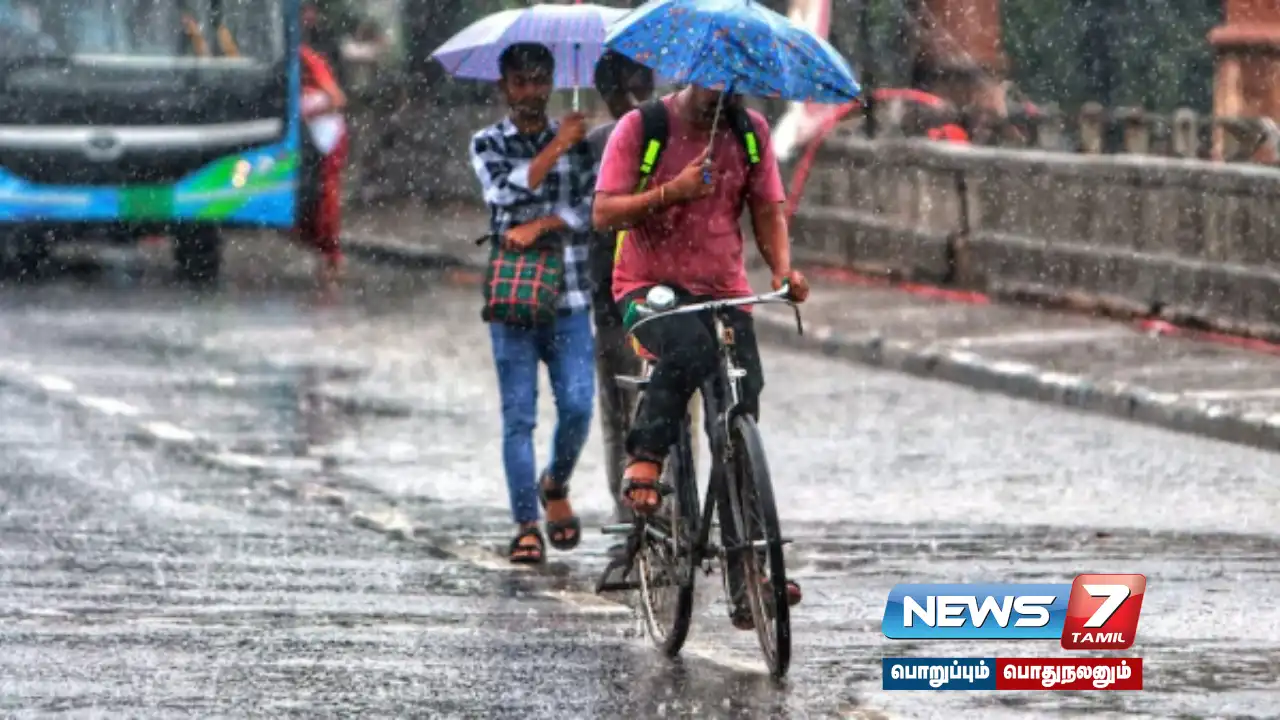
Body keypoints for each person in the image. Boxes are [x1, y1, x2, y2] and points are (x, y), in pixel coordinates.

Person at [592, 84, 810, 628]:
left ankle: (749, 576)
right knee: (687, 348)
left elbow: (767, 209)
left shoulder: (750, 132)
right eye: (712, 83)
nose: (722, 95)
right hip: (648, 289)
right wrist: (672, 192)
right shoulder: (643, 129)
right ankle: (645, 455)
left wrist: (782, 271)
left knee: (739, 409)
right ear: (690, 74)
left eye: (732, 85)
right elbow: (603, 214)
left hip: (724, 290)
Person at [469, 43, 597, 565]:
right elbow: (505, 195)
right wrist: (554, 149)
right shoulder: (487, 143)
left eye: (539, 80)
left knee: (578, 406)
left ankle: (556, 482)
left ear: (550, 82)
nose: (530, 91)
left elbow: (593, 207)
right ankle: (526, 523)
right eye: (520, 82)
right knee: (518, 416)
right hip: (513, 300)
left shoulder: (580, 143)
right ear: (504, 87)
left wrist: (546, 223)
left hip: (570, 296)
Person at [585, 50, 655, 554]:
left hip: (639, 294)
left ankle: (643, 515)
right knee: (635, 411)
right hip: (629, 294)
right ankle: (642, 513)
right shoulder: (593, 145)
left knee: (640, 412)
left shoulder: (662, 136)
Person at [297, 4, 349, 285]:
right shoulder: (298, 53)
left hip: (326, 136)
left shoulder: (309, 57)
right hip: (310, 137)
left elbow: (337, 98)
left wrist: (304, 113)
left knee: (326, 196)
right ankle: (325, 250)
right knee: (314, 196)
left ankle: (331, 253)